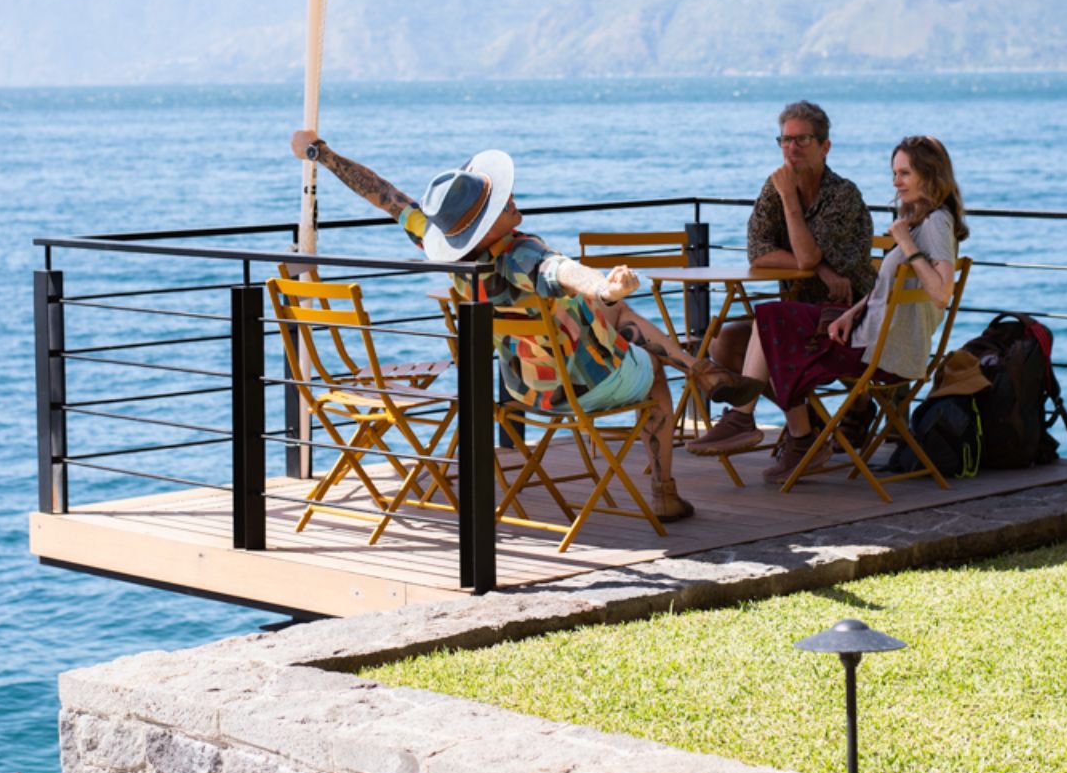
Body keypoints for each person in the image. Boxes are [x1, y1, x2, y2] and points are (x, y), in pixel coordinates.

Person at [288, 129, 697, 520]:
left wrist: (321, 154)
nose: (512, 200)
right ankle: (665, 490)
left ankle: (703, 371)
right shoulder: (520, 255)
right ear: (483, 225)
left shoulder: (450, 248)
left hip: (522, 391)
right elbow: (561, 270)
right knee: (654, 373)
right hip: (582, 386)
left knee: (615, 319)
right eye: (501, 203)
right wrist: (605, 289)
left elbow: (386, 196)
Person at [717, 135, 969, 485]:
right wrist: (852, 313)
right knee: (773, 321)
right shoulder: (921, 221)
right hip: (870, 338)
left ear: (930, 176)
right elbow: (891, 290)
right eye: (894, 173)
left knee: (773, 322)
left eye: (905, 173)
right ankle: (772, 429)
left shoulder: (935, 223)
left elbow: (941, 293)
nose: (896, 181)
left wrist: (906, 244)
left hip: (880, 355)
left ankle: (770, 428)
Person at [687, 100, 875, 456]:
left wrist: (790, 199)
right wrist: (820, 268)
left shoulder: (842, 195)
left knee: (768, 324)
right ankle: (809, 424)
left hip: (847, 321)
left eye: (802, 140)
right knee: (724, 344)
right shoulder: (775, 186)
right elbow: (758, 252)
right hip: (798, 316)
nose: (792, 148)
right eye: (785, 140)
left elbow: (805, 254)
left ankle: (795, 435)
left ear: (824, 147)